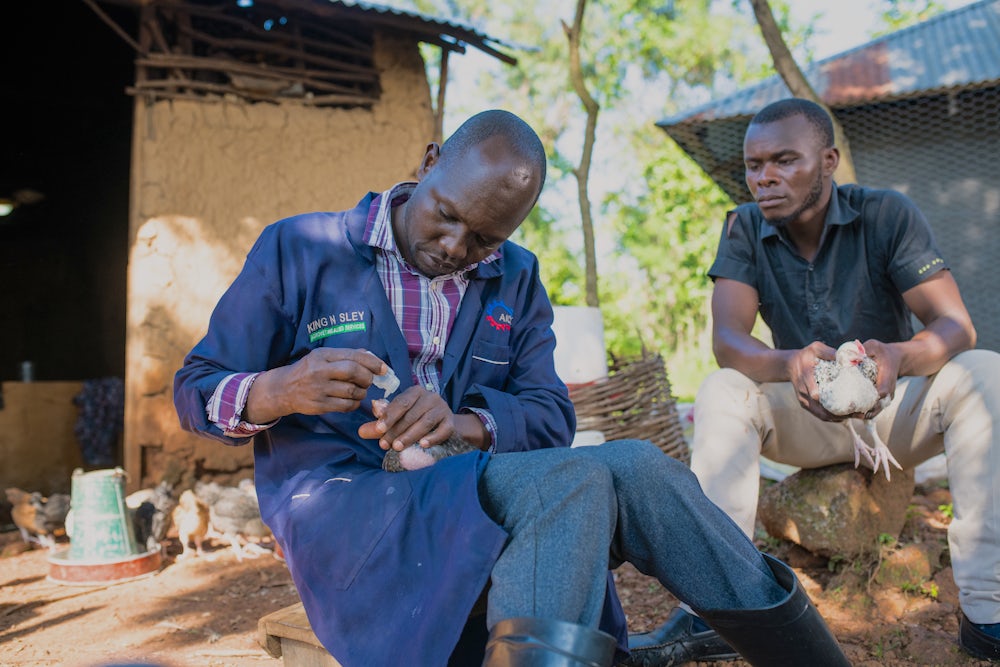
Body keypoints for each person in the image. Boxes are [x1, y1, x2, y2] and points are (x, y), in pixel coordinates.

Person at [173, 109, 849, 667]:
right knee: (571, 483)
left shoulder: (515, 276)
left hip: (466, 484)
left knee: (640, 465)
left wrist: (461, 423)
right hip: (347, 505)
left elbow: (549, 414)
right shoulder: (300, 249)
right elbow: (194, 391)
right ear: (430, 160)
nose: (454, 246)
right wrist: (280, 387)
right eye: (446, 215)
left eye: (484, 238)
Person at [627, 97, 1000, 665]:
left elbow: (956, 325)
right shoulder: (744, 228)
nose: (764, 178)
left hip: (890, 415)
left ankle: (987, 609)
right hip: (806, 419)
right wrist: (790, 364)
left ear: (828, 161)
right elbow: (728, 340)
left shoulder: (886, 214)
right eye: (754, 166)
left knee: (985, 370)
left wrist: (899, 355)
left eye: (784, 160)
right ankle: (717, 610)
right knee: (720, 388)